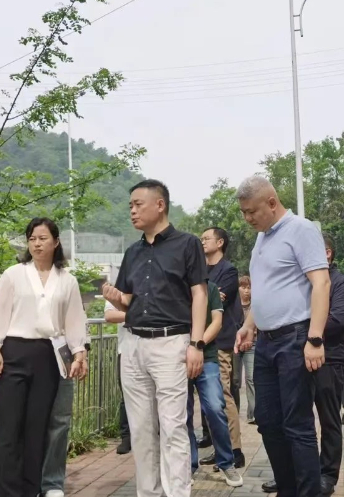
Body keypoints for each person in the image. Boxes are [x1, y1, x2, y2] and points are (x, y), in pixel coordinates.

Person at [103, 179, 207, 497]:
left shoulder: (187, 244)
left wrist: (196, 344)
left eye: (138, 204)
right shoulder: (132, 252)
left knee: (173, 426)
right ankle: (148, 492)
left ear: (160, 205)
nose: (132, 211)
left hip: (171, 343)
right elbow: (128, 301)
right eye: (130, 206)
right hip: (133, 345)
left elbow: (199, 294)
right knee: (141, 429)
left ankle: (177, 493)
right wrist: (116, 297)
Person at [234, 176, 330, 497]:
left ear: (272, 203)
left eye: (251, 211)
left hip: (295, 339)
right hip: (266, 343)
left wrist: (314, 339)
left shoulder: (301, 230)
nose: (247, 218)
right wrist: (249, 325)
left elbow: (321, 283)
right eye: (243, 213)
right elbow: (265, 291)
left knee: (297, 424)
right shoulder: (261, 239)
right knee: (268, 421)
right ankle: (288, 490)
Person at [0, 217, 88, 497]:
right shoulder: (13, 275)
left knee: (38, 428)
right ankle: (6, 492)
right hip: (14, 352)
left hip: (48, 356)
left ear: (56, 242)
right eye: (32, 239)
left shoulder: (67, 280)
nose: (37, 244)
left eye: (43, 238)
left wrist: (79, 353)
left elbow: (74, 321)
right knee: (9, 427)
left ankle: (32, 489)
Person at [261, 234, 344, 496]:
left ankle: (327, 475)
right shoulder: (301, 282)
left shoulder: (340, 283)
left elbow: (336, 320)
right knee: (292, 420)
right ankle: (293, 474)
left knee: (328, 419)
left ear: (326, 253)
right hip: (294, 357)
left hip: (328, 358)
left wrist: (302, 331)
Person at [187, 281, 244, 487]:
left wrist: (196, 345)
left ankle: (226, 462)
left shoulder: (209, 288)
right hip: (177, 358)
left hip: (207, 356)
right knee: (182, 413)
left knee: (215, 407)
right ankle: (188, 466)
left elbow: (217, 322)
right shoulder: (175, 285)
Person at [198, 227, 245, 470]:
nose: (202, 242)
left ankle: (234, 451)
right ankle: (219, 449)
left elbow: (215, 300)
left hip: (221, 341)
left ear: (220, 242)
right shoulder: (199, 269)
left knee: (223, 396)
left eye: (206, 238)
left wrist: (199, 298)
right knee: (209, 399)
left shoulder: (228, 270)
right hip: (200, 340)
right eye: (201, 239)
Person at [41, 330, 92, 497]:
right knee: (31, 420)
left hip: (64, 354)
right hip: (33, 350)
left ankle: (52, 482)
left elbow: (80, 322)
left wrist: (82, 355)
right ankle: (30, 481)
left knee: (61, 421)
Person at [105, 300, 131, 455]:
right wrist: (139, 315)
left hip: (153, 350)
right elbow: (109, 315)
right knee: (126, 396)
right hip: (125, 351)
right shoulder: (118, 289)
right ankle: (126, 437)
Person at [233, 275, 256, 424]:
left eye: (249, 287)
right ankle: (233, 413)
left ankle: (253, 413)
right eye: (243, 287)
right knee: (235, 380)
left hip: (252, 344)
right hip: (235, 344)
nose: (247, 290)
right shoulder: (233, 305)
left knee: (251, 378)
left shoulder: (255, 306)